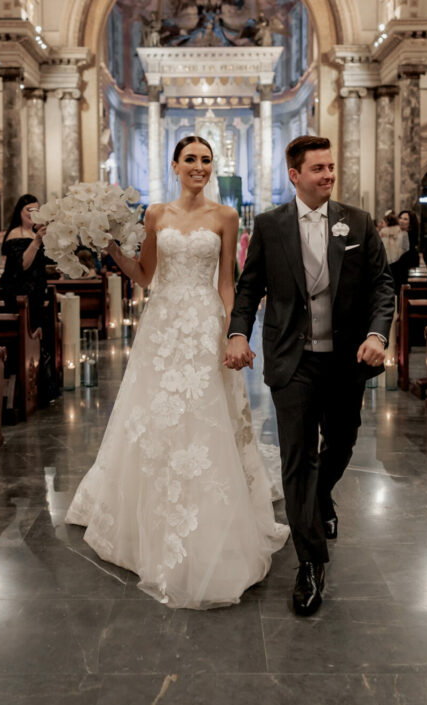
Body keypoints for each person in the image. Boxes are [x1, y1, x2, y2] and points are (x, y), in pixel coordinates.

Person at [66, 136, 290, 609]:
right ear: (175, 165)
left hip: (204, 323)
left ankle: (208, 508)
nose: (200, 167)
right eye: (191, 159)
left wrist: (233, 334)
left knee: (204, 413)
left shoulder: (225, 216)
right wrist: (110, 247)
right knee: (155, 414)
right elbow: (145, 275)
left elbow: (226, 282)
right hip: (163, 326)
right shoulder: (156, 214)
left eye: (206, 160)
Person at [224, 135, 395, 617]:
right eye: (318, 168)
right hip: (291, 359)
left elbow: (382, 285)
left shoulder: (357, 222)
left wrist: (377, 335)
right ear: (294, 175)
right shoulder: (270, 225)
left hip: (345, 358)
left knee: (342, 441)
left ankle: (321, 498)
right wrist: (238, 334)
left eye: (331, 166)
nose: (328, 175)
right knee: (298, 458)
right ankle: (311, 563)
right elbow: (248, 288)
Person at [0, 194, 58, 402]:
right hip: (20, 296)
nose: (33, 214)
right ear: (20, 212)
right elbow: (23, 265)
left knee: (39, 339)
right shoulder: (15, 234)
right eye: (28, 210)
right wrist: (37, 240)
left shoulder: (34, 233)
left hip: (36, 293)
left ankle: (40, 387)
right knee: (30, 340)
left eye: (36, 210)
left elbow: (38, 265)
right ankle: (29, 388)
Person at [389, 209, 420, 297]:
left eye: (405, 219)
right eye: (400, 218)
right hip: (392, 271)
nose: (401, 221)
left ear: (410, 223)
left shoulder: (410, 237)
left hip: (401, 272)